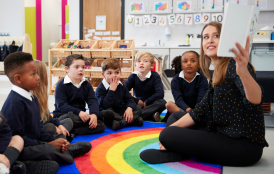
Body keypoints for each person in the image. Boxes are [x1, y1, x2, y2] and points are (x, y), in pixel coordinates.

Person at [140, 22, 268, 166]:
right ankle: (176, 150)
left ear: (226, 40)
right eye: (205, 37)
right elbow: (199, 112)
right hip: (222, 132)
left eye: (216, 36)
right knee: (175, 118)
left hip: (242, 146)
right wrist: (172, 130)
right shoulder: (218, 72)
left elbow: (256, 99)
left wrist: (244, 73)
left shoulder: (235, 66)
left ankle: (177, 150)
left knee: (167, 134)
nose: (210, 40)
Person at [1, 52, 91, 174]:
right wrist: (49, 144)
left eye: (37, 73)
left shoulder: (32, 98)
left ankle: (60, 151)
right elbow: (18, 139)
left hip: (34, 142)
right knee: (49, 150)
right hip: (21, 148)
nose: (38, 77)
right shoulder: (14, 103)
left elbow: (38, 129)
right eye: (33, 74)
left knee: (55, 144)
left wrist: (52, 140)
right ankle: (26, 164)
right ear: (18, 79)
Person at [53, 54, 106, 135]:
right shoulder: (61, 85)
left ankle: (71, 131)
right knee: (70, 119)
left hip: (81, 117)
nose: (81, 69)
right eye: (77, 67)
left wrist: (94, 114)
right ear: (67, 69)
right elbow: (61, 105)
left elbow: (92, 100)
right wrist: (79, 112)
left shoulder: (86, 84)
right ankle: (65, 127)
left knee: (101, 126)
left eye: (83, 67)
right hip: (64, 115)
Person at [32, 60, 74, 142]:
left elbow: (48, 116)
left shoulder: (41, 96)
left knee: (68, 121)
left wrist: (59, 125)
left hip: (47, 125)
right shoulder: (32, 98)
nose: (47, 76)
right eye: (45, 74)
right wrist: (55, 127)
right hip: (41, 129)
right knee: (50, 127)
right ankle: (61, 139)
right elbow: (36, 124)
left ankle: (60, 137)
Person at [95, 58, 143, 131]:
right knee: (108, 113)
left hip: (119, 110)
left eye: (117, 73)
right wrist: (111, 90)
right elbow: (105, 106)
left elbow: (130, 99)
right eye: (110, 73)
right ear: (103, 75)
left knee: (137, 107)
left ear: (120, 73)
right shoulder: (100, 89)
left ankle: (120, 123)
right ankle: (131, 120)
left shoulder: (121, 85)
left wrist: (129, 108)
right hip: (107, 111)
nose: (114, 76)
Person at [125, 51, 166, 122]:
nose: (141, 63)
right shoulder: (133, 76)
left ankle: (135, 116)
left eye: (145, 61)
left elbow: (160, 94)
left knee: (162, 103)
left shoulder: (155, 75)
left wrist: (146, 102)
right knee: (123, 101)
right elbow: (123, 92)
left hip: (151, 103)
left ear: (152, 66)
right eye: (139, 61)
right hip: (138, 103)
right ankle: (151, 115)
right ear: (135, 65)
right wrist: (137, 101)